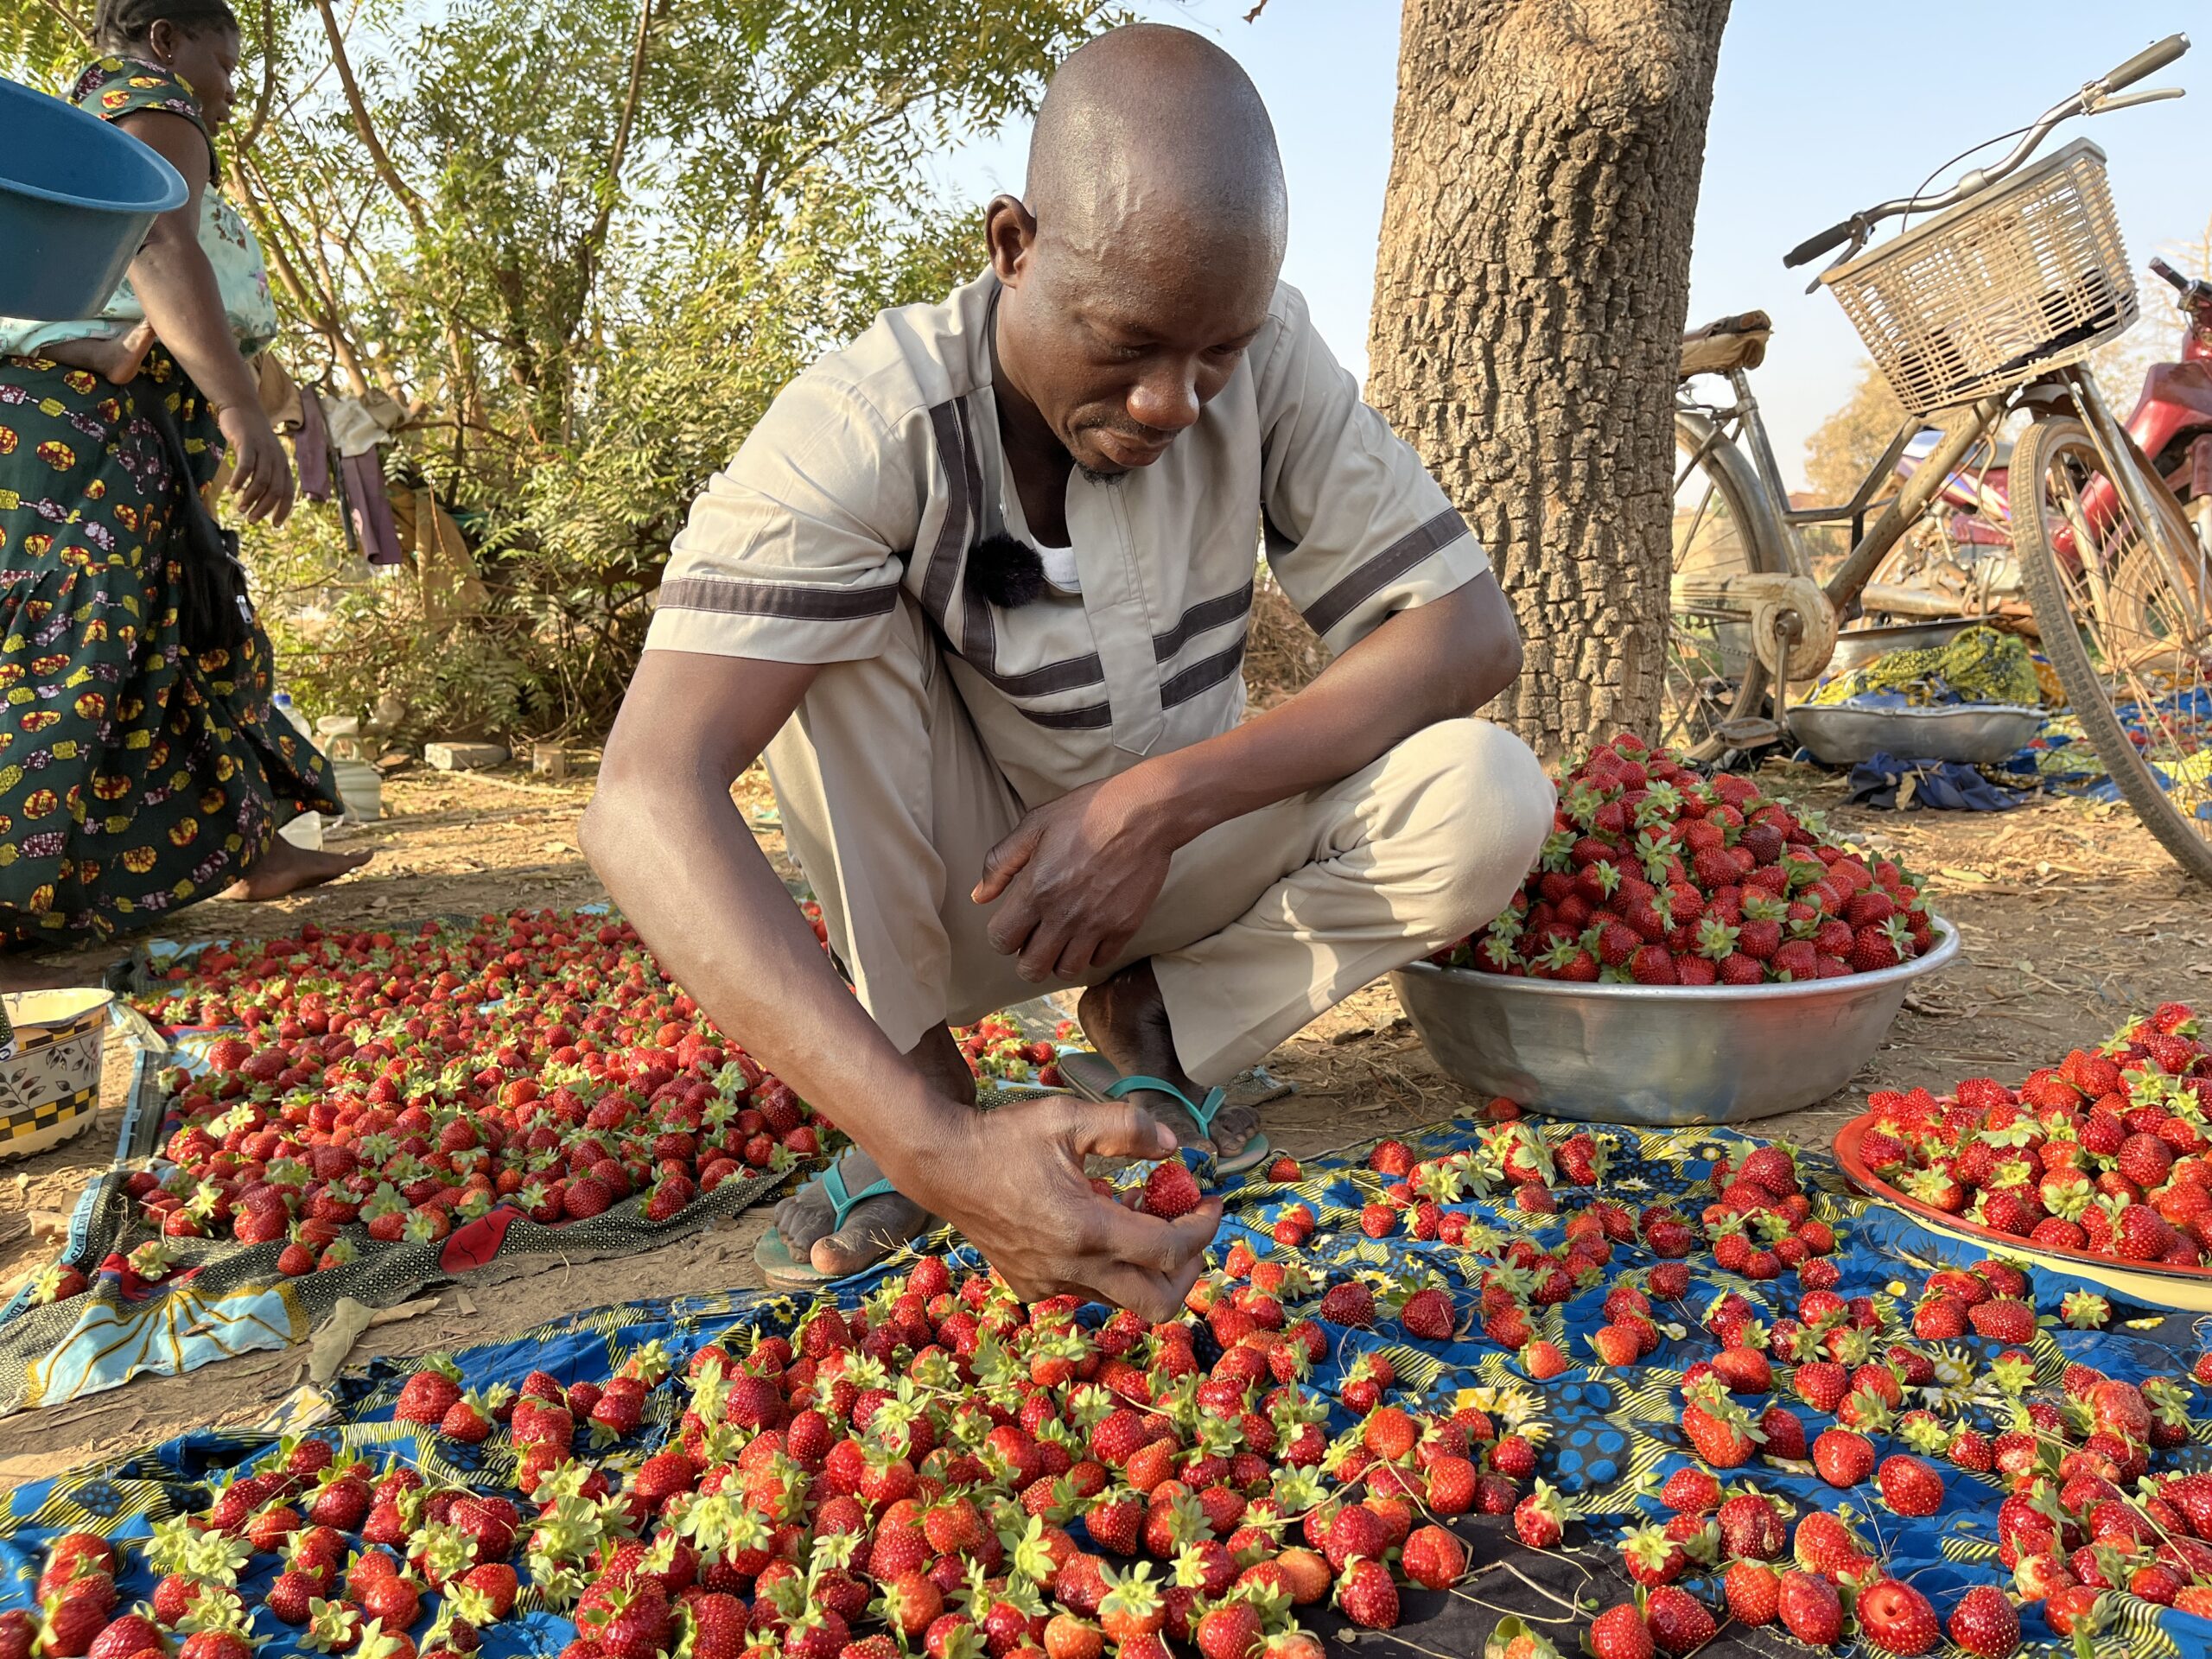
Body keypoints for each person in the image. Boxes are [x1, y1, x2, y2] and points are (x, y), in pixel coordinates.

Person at [584, 23, 1553, 1319]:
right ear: (1014, 247)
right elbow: (645, 796)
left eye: (1215, 352)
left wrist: (1155, 809)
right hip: (975, 899)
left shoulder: (1265, 357)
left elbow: (1469, 627)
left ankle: (1157, 1026)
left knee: (1487, 794)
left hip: (1179, 863)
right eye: (1130, 340)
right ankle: (920, 1091)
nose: (1175, 403)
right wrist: (944, 1158)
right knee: (810, 625)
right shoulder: (868, 426)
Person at [0, 0, 367, 995]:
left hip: (110, 421)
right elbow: (163, 254)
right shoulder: (148, 103)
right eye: (223, 54)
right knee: (82, 642)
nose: (230, 82)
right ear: (167, 39)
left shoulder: (102, 121)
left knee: (176, 626)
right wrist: (240, 405)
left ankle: (252, 848)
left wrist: (254, 399)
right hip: (90, 428)